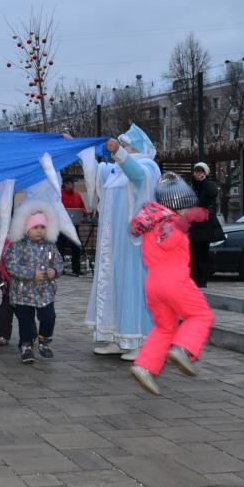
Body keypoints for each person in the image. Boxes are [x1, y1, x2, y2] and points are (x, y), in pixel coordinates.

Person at [126, 173, 214, 396]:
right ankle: (183, 349)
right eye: (187, 207)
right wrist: (184, 222)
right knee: (201, 315)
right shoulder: (171, 222)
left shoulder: (152, 222)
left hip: (153, 284)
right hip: (174, 281)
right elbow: (168, 241)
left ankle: (144, 366)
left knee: (165, 327)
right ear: (179, 205)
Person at [85, 124, 160, 361]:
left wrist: (120, 152)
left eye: (126, 145)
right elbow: (95, 170)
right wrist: (79, 149)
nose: (121, 148)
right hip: (113, 244)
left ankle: (138, 340)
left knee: (133, 286)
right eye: (122, 145)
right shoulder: (115, 171)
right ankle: (116, 337)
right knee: (114, 284)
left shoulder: (148, 165)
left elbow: (138, 175)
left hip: (134, 242)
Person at [3, 200, 63, 364]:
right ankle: (26, 345)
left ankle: (45, 340)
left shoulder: (50, 245)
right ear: (26, 229)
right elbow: (11, 265)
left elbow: (58, 262)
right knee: (26, 321)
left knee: (48, 317)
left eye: (42, 227)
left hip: (45, 291)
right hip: (23, 292)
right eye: (35, 227)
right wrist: (31, 273)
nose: (39, 231)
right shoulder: (18, 245)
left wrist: (55, 271)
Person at [188, 162, 224, 288]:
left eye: (201, 171)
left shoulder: (209, 185)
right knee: (193, 254)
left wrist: (203, 181)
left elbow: (211, 194)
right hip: (193, 225)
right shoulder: (192, 186)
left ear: (206, 173)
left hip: (204, 225)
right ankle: (194, 281)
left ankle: (202, 282)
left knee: (203, 254)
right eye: (196, 171)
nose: (198, 174)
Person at [58, 178, 85, 276]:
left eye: (73, 183)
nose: (72, 185)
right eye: (70, 183)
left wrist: (83, 213)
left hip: (74, 225)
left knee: (77, 247)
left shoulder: (77, 195)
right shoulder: (59, 194)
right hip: (62, 226)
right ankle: (60, 269)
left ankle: (76, 269)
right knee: (60, 248)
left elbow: (82, 207)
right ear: (65, 184)